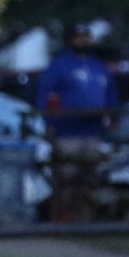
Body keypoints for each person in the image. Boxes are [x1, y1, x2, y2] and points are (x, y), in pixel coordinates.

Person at [35, 24, 119, 221]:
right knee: (67, 176)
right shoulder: (59, 66)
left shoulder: (99, 66)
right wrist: (49, 121)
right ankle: (63, 218)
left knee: (90, 178)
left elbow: (111, 94)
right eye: (79, 37)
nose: (83, 41)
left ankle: (85, 219)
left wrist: (113, 117)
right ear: (71, 40)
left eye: (86, 37)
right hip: (67, 131)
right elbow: (45, 95)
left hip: (94, 131)